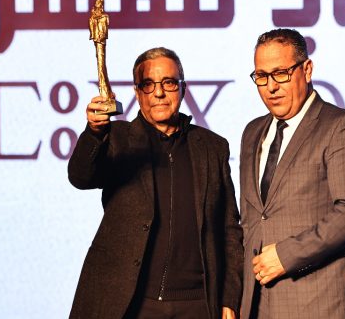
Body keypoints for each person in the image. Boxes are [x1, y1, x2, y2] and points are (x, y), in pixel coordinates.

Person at [68, 47, 243, 319]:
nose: (159, 93)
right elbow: (81, 177)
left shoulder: (212, 147)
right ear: (137, 93)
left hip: (197, 305)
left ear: (183, 88)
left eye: (169, 83)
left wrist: (229, 298)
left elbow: (229, 230)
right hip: (130, 304)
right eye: (148, 85)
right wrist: (94, 133)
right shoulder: (116, 138)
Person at [238, 29, 345, 318]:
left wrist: (287, 255)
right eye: (261, 76)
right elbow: (252, 220)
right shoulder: (252, 132)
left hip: (324, 302)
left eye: (281, 74)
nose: (271, 86)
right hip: (258, 305)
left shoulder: (341, 126)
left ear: (307, 69)